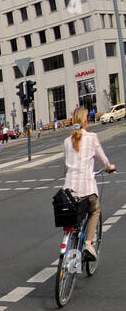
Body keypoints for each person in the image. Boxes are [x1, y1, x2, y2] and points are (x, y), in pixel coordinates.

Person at [63, 106, 114, 261]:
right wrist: (109, 167)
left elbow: (65, 168)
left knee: (71, 217)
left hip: (68, 192)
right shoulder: (91, 137)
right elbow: (103, 160)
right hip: (87, 189)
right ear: (86, 120)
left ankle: (70, 240)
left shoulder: (66, 141)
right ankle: (88, 243)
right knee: (95, 210)